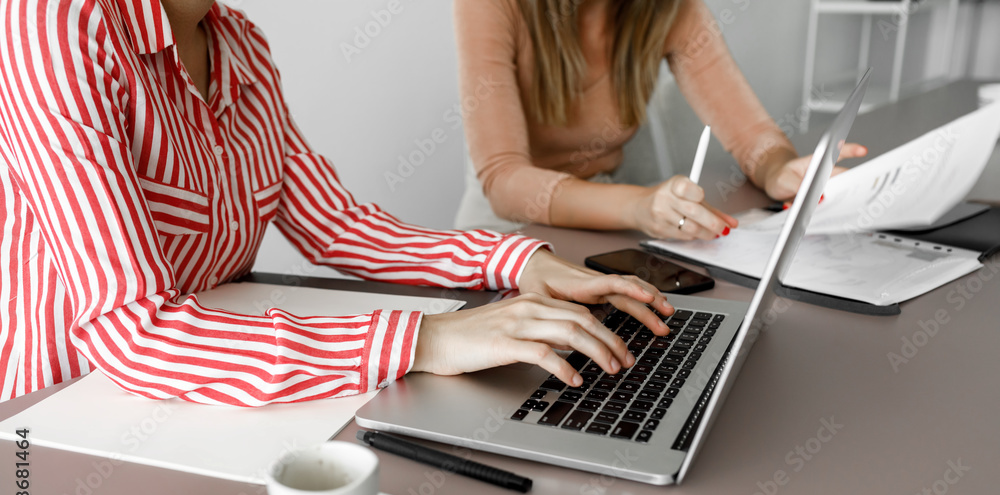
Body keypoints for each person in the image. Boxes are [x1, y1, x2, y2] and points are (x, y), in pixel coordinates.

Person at [0, 0, 674, 407]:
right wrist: (425, 338)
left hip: (213, 402)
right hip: (60, 415)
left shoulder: (240, 44)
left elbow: (338, 227)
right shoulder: (52, 25)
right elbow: (132, 329)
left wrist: (513, 259)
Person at [453, 0, 866, 237]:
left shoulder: (666, 8)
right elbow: (504, 180)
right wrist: (638, 206)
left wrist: (778, 168)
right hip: (506, 224)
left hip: (606, 208)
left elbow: (751, 133)